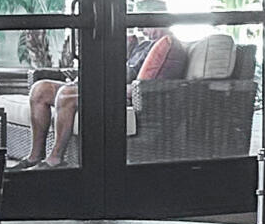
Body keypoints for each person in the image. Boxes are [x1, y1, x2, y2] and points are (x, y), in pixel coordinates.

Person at [25, 10, 167, 166]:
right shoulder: (145, 45)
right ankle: (35, 157)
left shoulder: (166, 46)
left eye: (146, 26)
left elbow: (143, 83)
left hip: (117, 92)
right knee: (40, 89)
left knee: (66, 94)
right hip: (102, 83)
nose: (143, 30)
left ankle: (55, 159)